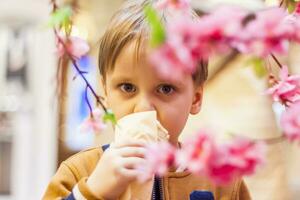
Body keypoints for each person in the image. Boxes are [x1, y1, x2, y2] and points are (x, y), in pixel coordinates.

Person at [43, 0, 251, 199]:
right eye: (127, 87)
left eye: (165, 89)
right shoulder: (80, 171)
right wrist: (92, 193)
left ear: (195, 99)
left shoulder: (221, 181)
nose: (143, 108)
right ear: (105, 91)